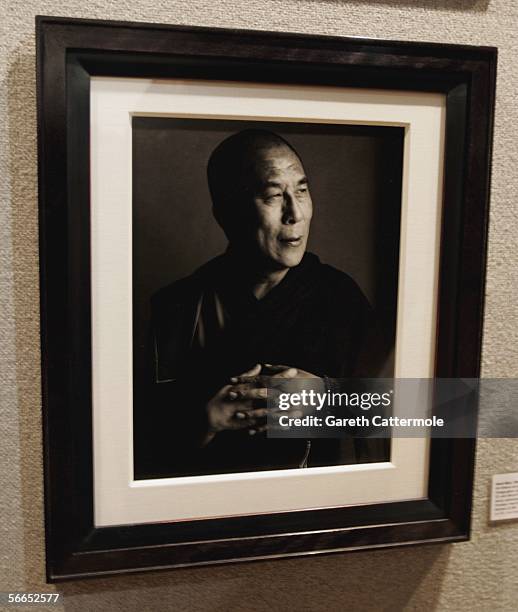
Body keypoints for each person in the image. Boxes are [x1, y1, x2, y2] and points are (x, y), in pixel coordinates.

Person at [135, 129, 388, 478]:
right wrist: (204, 420)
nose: (295, 213)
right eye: (273, 196)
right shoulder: (179, 307)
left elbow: (422, 414)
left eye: (301, 190)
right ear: (226, 211)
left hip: (314, 511)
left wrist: (326, 396)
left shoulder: (340, 298)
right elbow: (131, 444)